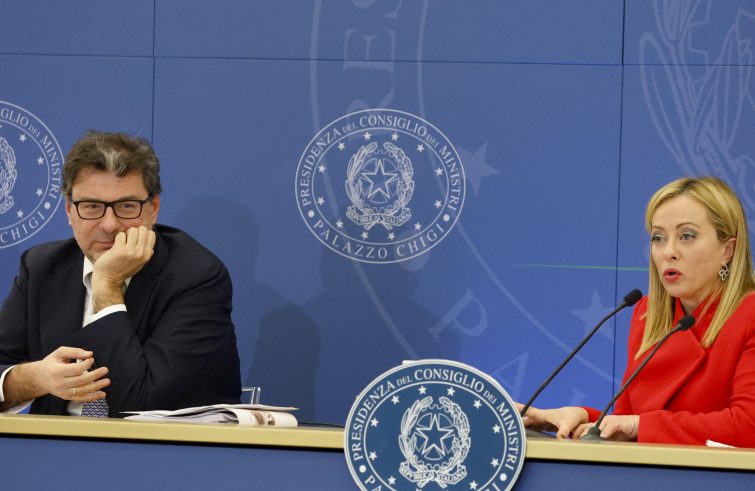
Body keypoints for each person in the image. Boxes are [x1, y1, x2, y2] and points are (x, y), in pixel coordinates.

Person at [0, 130, 241, 417]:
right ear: (69, 211)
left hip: (159, 444)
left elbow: (139, 404)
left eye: (126, 206)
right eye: (92, 206)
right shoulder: (42, 266)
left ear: (153, 209)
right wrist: (35, 378)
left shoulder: (196, 277)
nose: (110, 225)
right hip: (52, 442)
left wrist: (107, 285)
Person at [522, 176, 755, 446]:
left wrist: (636, 425)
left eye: (687, 236)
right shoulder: (648, 315)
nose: (668, 252)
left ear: (728, 249)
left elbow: (748, 426)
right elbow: (630, 423)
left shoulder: (749, 316)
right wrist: (582, 417)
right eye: (658, 238)